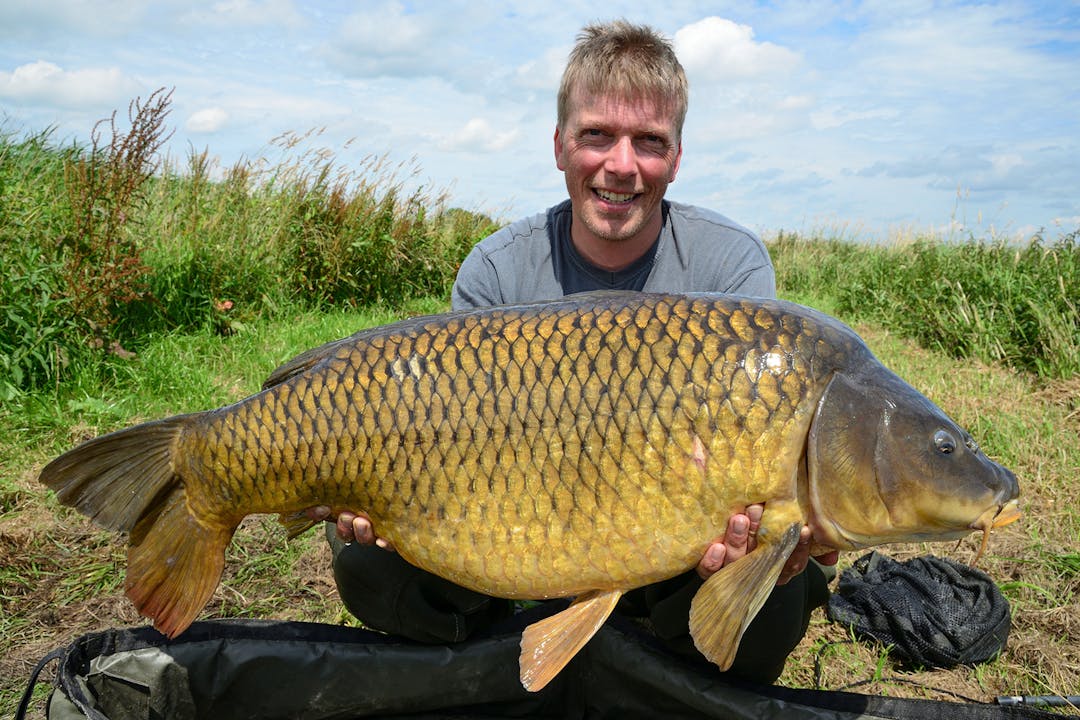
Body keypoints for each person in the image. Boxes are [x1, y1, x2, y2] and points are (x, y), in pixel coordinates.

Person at [309, 19, 836, 684]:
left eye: (649, 142)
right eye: (597, 136)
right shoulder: (497, 272)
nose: (621, 164)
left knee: (776, 584)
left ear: (676, 158)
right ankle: (490, 644)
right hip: (509, 538)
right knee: (366, 563)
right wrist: (384, 497)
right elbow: (442, 438)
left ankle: (671, 656)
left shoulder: (729, 270)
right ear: (560, 146)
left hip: (670, 556)